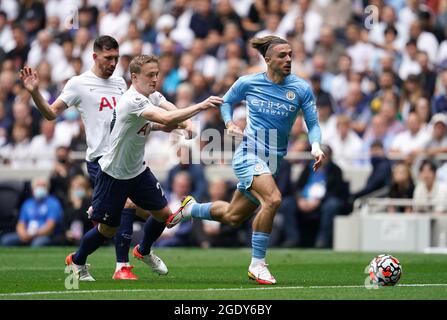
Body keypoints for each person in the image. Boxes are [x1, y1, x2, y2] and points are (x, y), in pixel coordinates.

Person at [20, 36, 194, 280]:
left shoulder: (122, 85)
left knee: (121, 225)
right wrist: (35, 92)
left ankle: (83, 259)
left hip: (130, 159)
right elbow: (50, 114)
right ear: (94, 56)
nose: (113, 63)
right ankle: (121, 267)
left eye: (116, 58)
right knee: (128, 207)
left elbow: (131, 122)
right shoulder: (78, 84)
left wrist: (163, 126)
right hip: (101, 161)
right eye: (108, 58)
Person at [166, 35, 324, 285]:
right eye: (282, 55)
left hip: (272, 162)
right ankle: (257, 264)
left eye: (290, 54)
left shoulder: (301, 88)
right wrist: (229, 123)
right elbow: (226, 101)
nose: (288, 59)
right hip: (248, 154)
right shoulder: (248, 82)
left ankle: (191, 209)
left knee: (232, 216)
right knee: (273, 199)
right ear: (268, 59)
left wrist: (315, 145)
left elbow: (313, 124)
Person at [65, 54, 222, 281]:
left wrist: (187, 125)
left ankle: (144, 250)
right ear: (134, 76)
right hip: (113, 174)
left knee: (164, 214)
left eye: (157, 74)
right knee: (107, 230)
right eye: (150, 75)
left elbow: (169, 109)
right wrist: (200, 106)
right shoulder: (132, 100)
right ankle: (77, 261)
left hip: (137, 171)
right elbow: (166, 117)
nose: (155, 79)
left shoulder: (151, 95)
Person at [1, 176, 62, 247]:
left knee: (37, 244)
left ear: (48, 188)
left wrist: (34, 234)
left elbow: (50, 226)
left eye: (43, 186)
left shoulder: (53, 203)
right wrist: (23, 234)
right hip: (27, 233)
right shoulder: (27, 203)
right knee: (6, 240)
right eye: (38, 186)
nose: (40, 188)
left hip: (44, 235)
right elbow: (21, 223)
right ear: (33, 188)